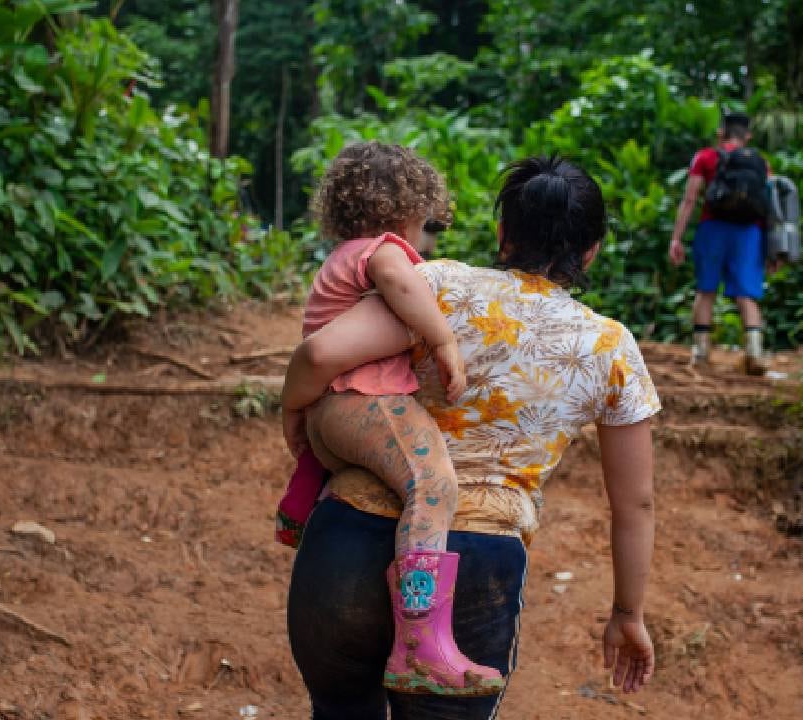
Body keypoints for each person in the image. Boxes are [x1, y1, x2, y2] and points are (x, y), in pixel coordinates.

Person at [282, 156, 661, 719]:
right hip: (478, 566)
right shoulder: (611, 348)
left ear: (503, 234)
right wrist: (627, 614)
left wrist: (296, 418)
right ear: (591, 250)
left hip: (346, 542)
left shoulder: (434, 284)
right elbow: (635, 503)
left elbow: (322, 355)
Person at [282, 140, 505, 696]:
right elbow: (404, 285)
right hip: (366, 402)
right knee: (432, 484)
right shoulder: (384, 252)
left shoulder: (339, 257)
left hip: (332, 416)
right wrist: (444, 338)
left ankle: (300, 508)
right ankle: (420, 642)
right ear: (410, 206)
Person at [668, 111, 771, 375]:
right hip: (749, 233)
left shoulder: (706, 157)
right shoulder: (761, 163)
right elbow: (771, 208)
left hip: (712, 229)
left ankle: (701, 354)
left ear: (721, 132)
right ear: (747, 135)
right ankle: (755, 353)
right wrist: (773, 250)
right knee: (746, 295)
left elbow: (690, 199)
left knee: (706, 291)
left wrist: (676, 237)